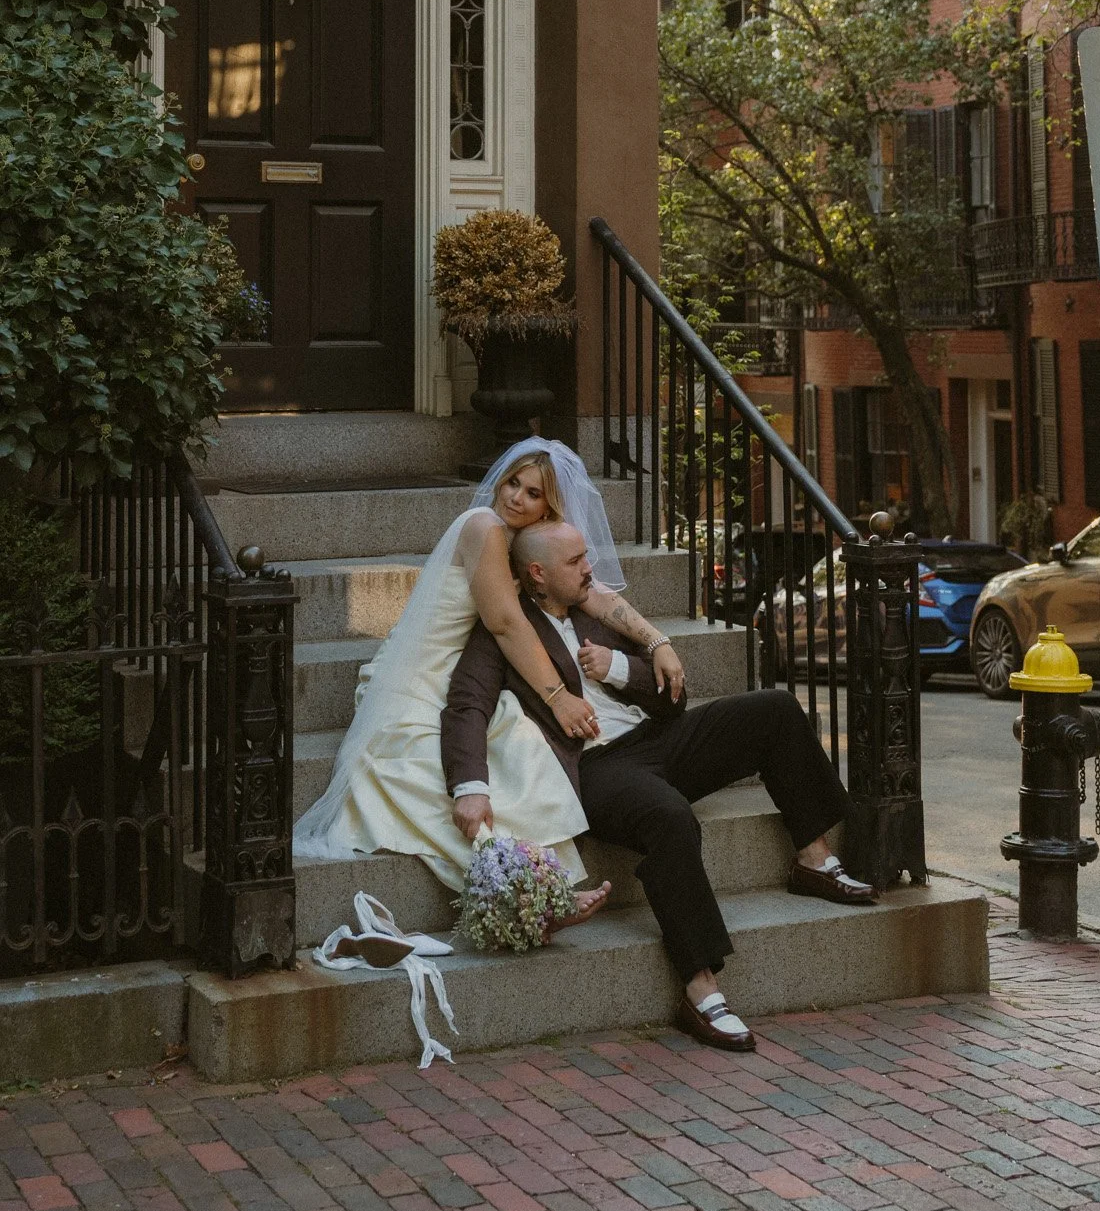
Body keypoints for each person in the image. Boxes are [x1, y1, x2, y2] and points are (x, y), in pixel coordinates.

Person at [441, 520, 878, 1053]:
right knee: (670, 816)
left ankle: (812, 859)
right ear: (537, 573)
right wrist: (469, 785)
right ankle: (701, 989)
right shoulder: (502, 632)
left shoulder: (592, 615)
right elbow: (466, 706)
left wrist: (620, 667)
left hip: (659, 738)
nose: (589, 568)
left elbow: (672, 698)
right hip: (597, 768)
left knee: (775, 709)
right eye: (576, 560)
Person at [294, 438, 686, 904]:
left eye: (533, 493)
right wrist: (558, 697)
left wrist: (656, 640)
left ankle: (534, 886)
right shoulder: (483, 526)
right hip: (424, 675)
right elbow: (504, 622)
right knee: (454, 774)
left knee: (519, 752)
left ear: (549, 507)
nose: (514, 496)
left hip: (468, 669)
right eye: (512, 482)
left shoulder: (531, 544)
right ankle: (530, 894)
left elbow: (594, 595)